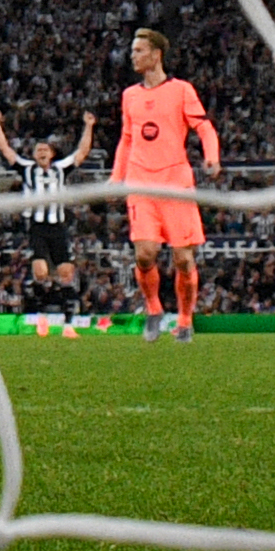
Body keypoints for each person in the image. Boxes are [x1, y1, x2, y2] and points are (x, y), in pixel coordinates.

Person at [114, 26, 220, 343]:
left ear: (156, 54)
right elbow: (127, 139)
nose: (133, 56)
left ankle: (185, 319)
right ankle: (153, 308)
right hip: (141, 181)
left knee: (183, 259)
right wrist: (115, 177)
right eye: (132, 51)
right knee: (145, 254)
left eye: (139, 50)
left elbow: (204, 127)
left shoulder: (182, 90)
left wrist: (211, 156)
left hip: (175, 182)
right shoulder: (129, 95)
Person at [0, 109, 96, 311]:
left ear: (52, 154)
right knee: (40, 272)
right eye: (38, 150)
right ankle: (39, 302)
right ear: (33, 155)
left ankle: (68, 309)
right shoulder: (27, 168)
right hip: (37, 226)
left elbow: (82, 152)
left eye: (45, 149)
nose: (41, 152)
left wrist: (89, 126)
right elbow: (5, 149)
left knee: (66, 272)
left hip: (58, 226)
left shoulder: (61, 168)